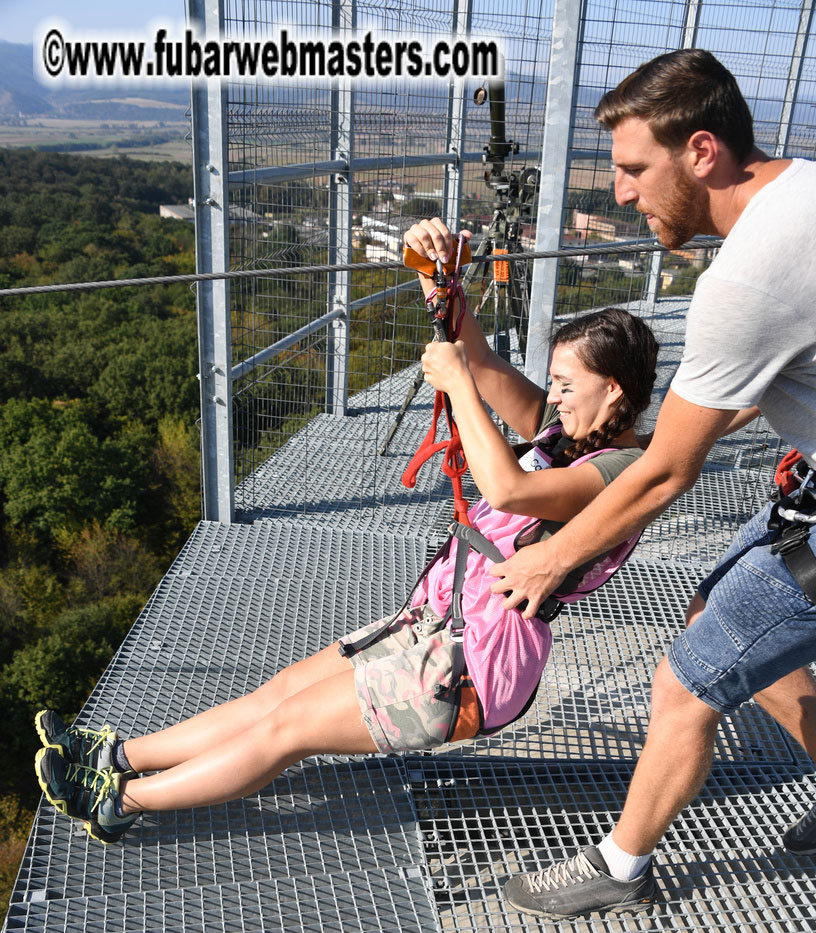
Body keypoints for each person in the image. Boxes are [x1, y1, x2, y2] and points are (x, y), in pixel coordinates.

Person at [33, 293, 659, 847]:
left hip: (476, 662)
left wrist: (460, 386)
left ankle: (117, 801)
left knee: (288, 729)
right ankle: (116, 754)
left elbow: (509, 488)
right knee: (279, 694)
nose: (552, 396)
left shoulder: (619, 474)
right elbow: (485, 362)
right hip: (440, 622)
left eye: (565, 385)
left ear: (614, 391)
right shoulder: (569, 435)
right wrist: (442, 288)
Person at [484, 48, 816, 919]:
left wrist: (552, 560)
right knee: (720, 617)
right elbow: (743, 396)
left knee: (685, 681)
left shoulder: (746, 277)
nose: (623, 194)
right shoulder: (802, 194)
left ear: (701, 152)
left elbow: (667, 470)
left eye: (634, 169)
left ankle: (620, 870)